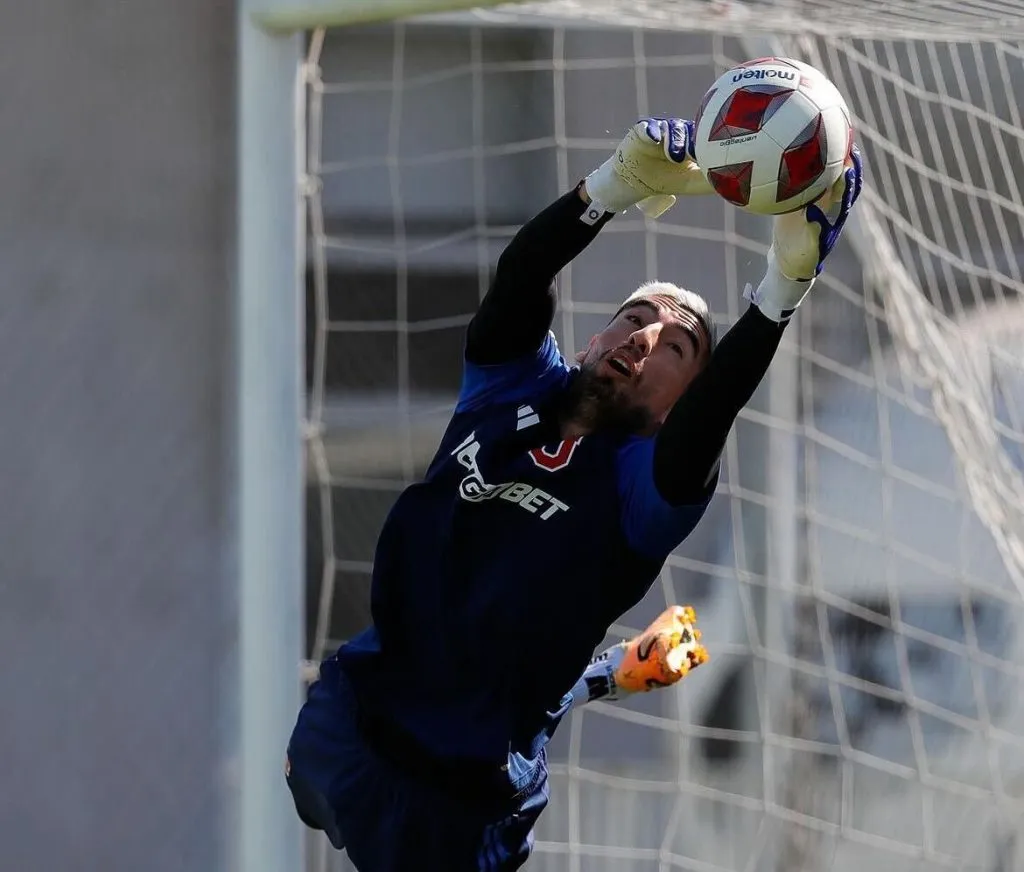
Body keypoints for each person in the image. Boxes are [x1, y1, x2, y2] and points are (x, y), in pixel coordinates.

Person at [285, 117, 863, 871]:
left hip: (458, 801)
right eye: (635, 318)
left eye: (676, 347)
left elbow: (713, 413)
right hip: (350, 721)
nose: (644, 340)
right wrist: (612, 186)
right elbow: (522, 277)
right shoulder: (509, 386)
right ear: (593, 339)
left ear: (674, 406)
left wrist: (784, 286)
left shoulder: (642, 490)